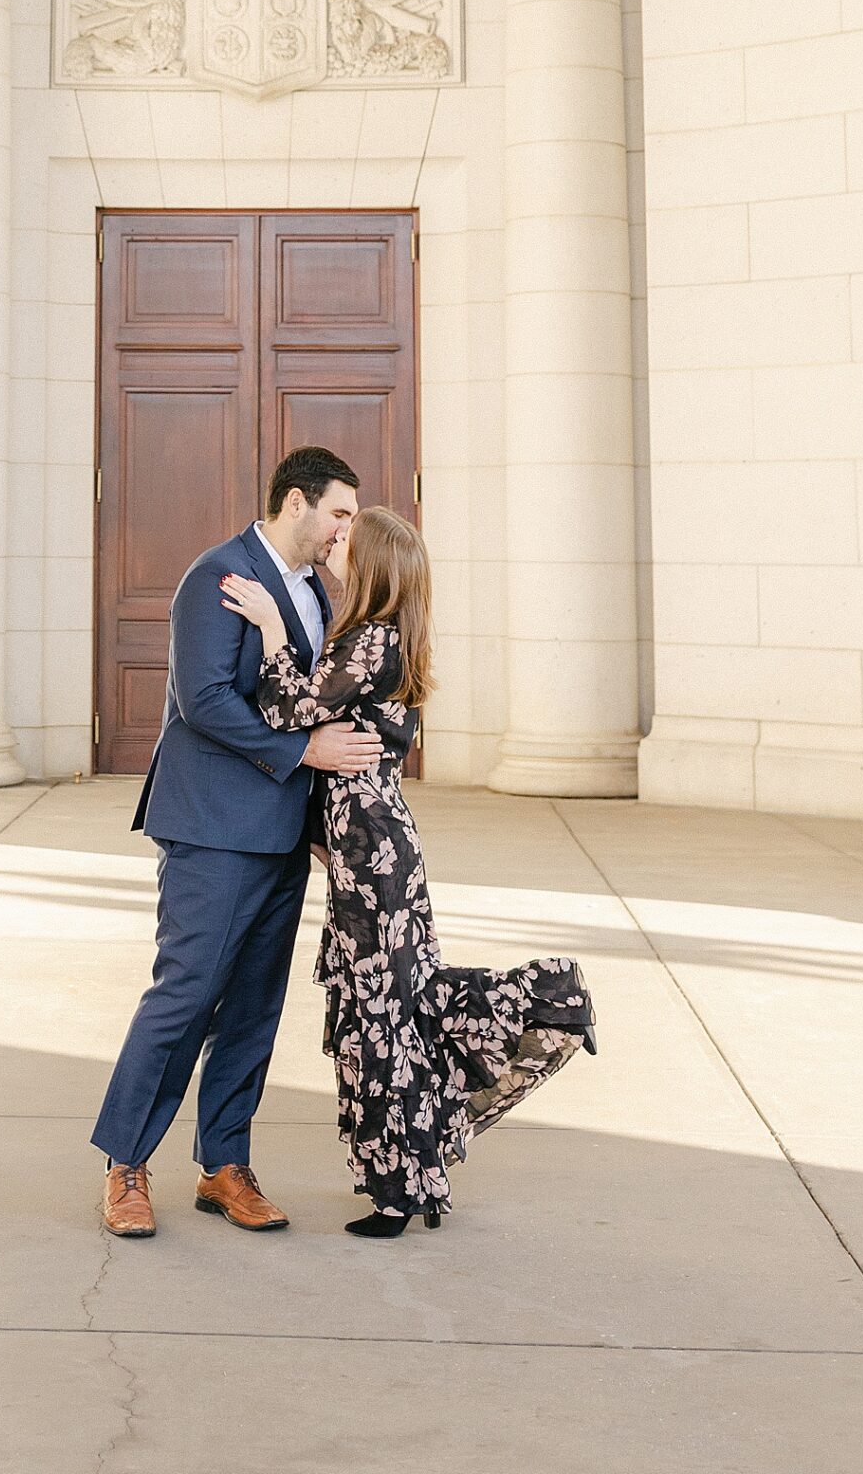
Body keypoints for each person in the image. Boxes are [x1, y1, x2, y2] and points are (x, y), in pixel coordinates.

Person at [221, 503, 597, 1237]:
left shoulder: (368, 640)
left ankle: (401, 1190)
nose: (336, 538)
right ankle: (407, 1180)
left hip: (373, 857)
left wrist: (269, 626)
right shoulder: (378, 641)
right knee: (392, 1009)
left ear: (369, 568)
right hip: (371, 851)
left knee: (385, 1017)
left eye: (347, 538)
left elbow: (283, 708)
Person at [92, 446, 381, 1239]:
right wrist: (302, 755)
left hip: (281, 831)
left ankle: (224, 1166)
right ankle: (125, 1165)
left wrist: (322, 816)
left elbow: (310, 699)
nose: (343, 531)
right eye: (338, 514)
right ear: (296, 502)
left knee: (254, 1008)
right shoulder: (214, 575)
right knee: (184, 998)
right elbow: (204, 700)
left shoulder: (316, 593)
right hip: (212, 828)